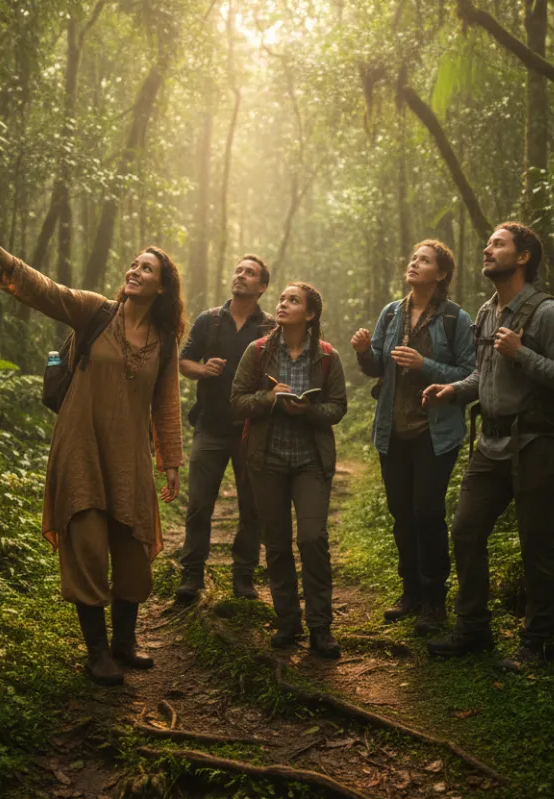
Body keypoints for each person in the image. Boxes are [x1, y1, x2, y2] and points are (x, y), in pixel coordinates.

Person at [0, 223, 184, 686]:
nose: (135, 271)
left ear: (162, 287)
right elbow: (49, 292)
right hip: (81, 446)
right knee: (87, 545)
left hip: (130, 457)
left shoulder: (164, 341)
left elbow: (166, 403)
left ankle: (124, 642)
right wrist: (3, 257)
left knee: (133, 548)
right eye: (134, 265)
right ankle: (97, 652)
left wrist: (172, 462)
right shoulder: (96, 311)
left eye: (147, 269)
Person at [422, 222, 554, 670]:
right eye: (488, 243)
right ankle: (473, 628)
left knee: (537, 543)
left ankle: (538, 643)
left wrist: (522, 354)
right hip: (490, 442)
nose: (487, 249)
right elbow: (483, 374)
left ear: (523, 257)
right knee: (466, 530)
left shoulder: (547, 313)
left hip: (536, 444)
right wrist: (453, 390)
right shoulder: (488, 310)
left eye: (498, 244)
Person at [350, 240, 475, 634]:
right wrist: (362, 352)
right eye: (413, 258)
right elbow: (377, 366)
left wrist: (426, 365)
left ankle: (435, 601)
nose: (414, 263)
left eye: (424, 260)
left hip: (435, 433)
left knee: (427, 512)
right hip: (393, 428)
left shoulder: (455, 319)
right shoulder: (392, 313)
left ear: (441, 273)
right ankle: (411, 594)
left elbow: (470, 374)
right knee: (401, 512)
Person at [231, 283, 347, 658]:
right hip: (267, 461)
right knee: (277, 543)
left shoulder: (327, 356)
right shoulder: (258, 351)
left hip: (311, 462)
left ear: (309, 314)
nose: (282, 304)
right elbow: (237, 401)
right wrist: (270, 398)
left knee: (312, 538)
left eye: (293, 300)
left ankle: (321, 627)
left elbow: (338, 407)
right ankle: (288, 621)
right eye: (281, 299)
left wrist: (308, 410)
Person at [176, 255, 275, 603]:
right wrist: (202, 370)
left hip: (253, 430)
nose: (241, 276)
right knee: (199, 505)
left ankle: (243, 577)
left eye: (250, 273)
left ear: (262, 286)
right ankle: (191, 576)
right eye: (238, 270)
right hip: (210, 427)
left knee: (252, 508)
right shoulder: (209, 320)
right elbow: (184, 361)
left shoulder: (270, 327)